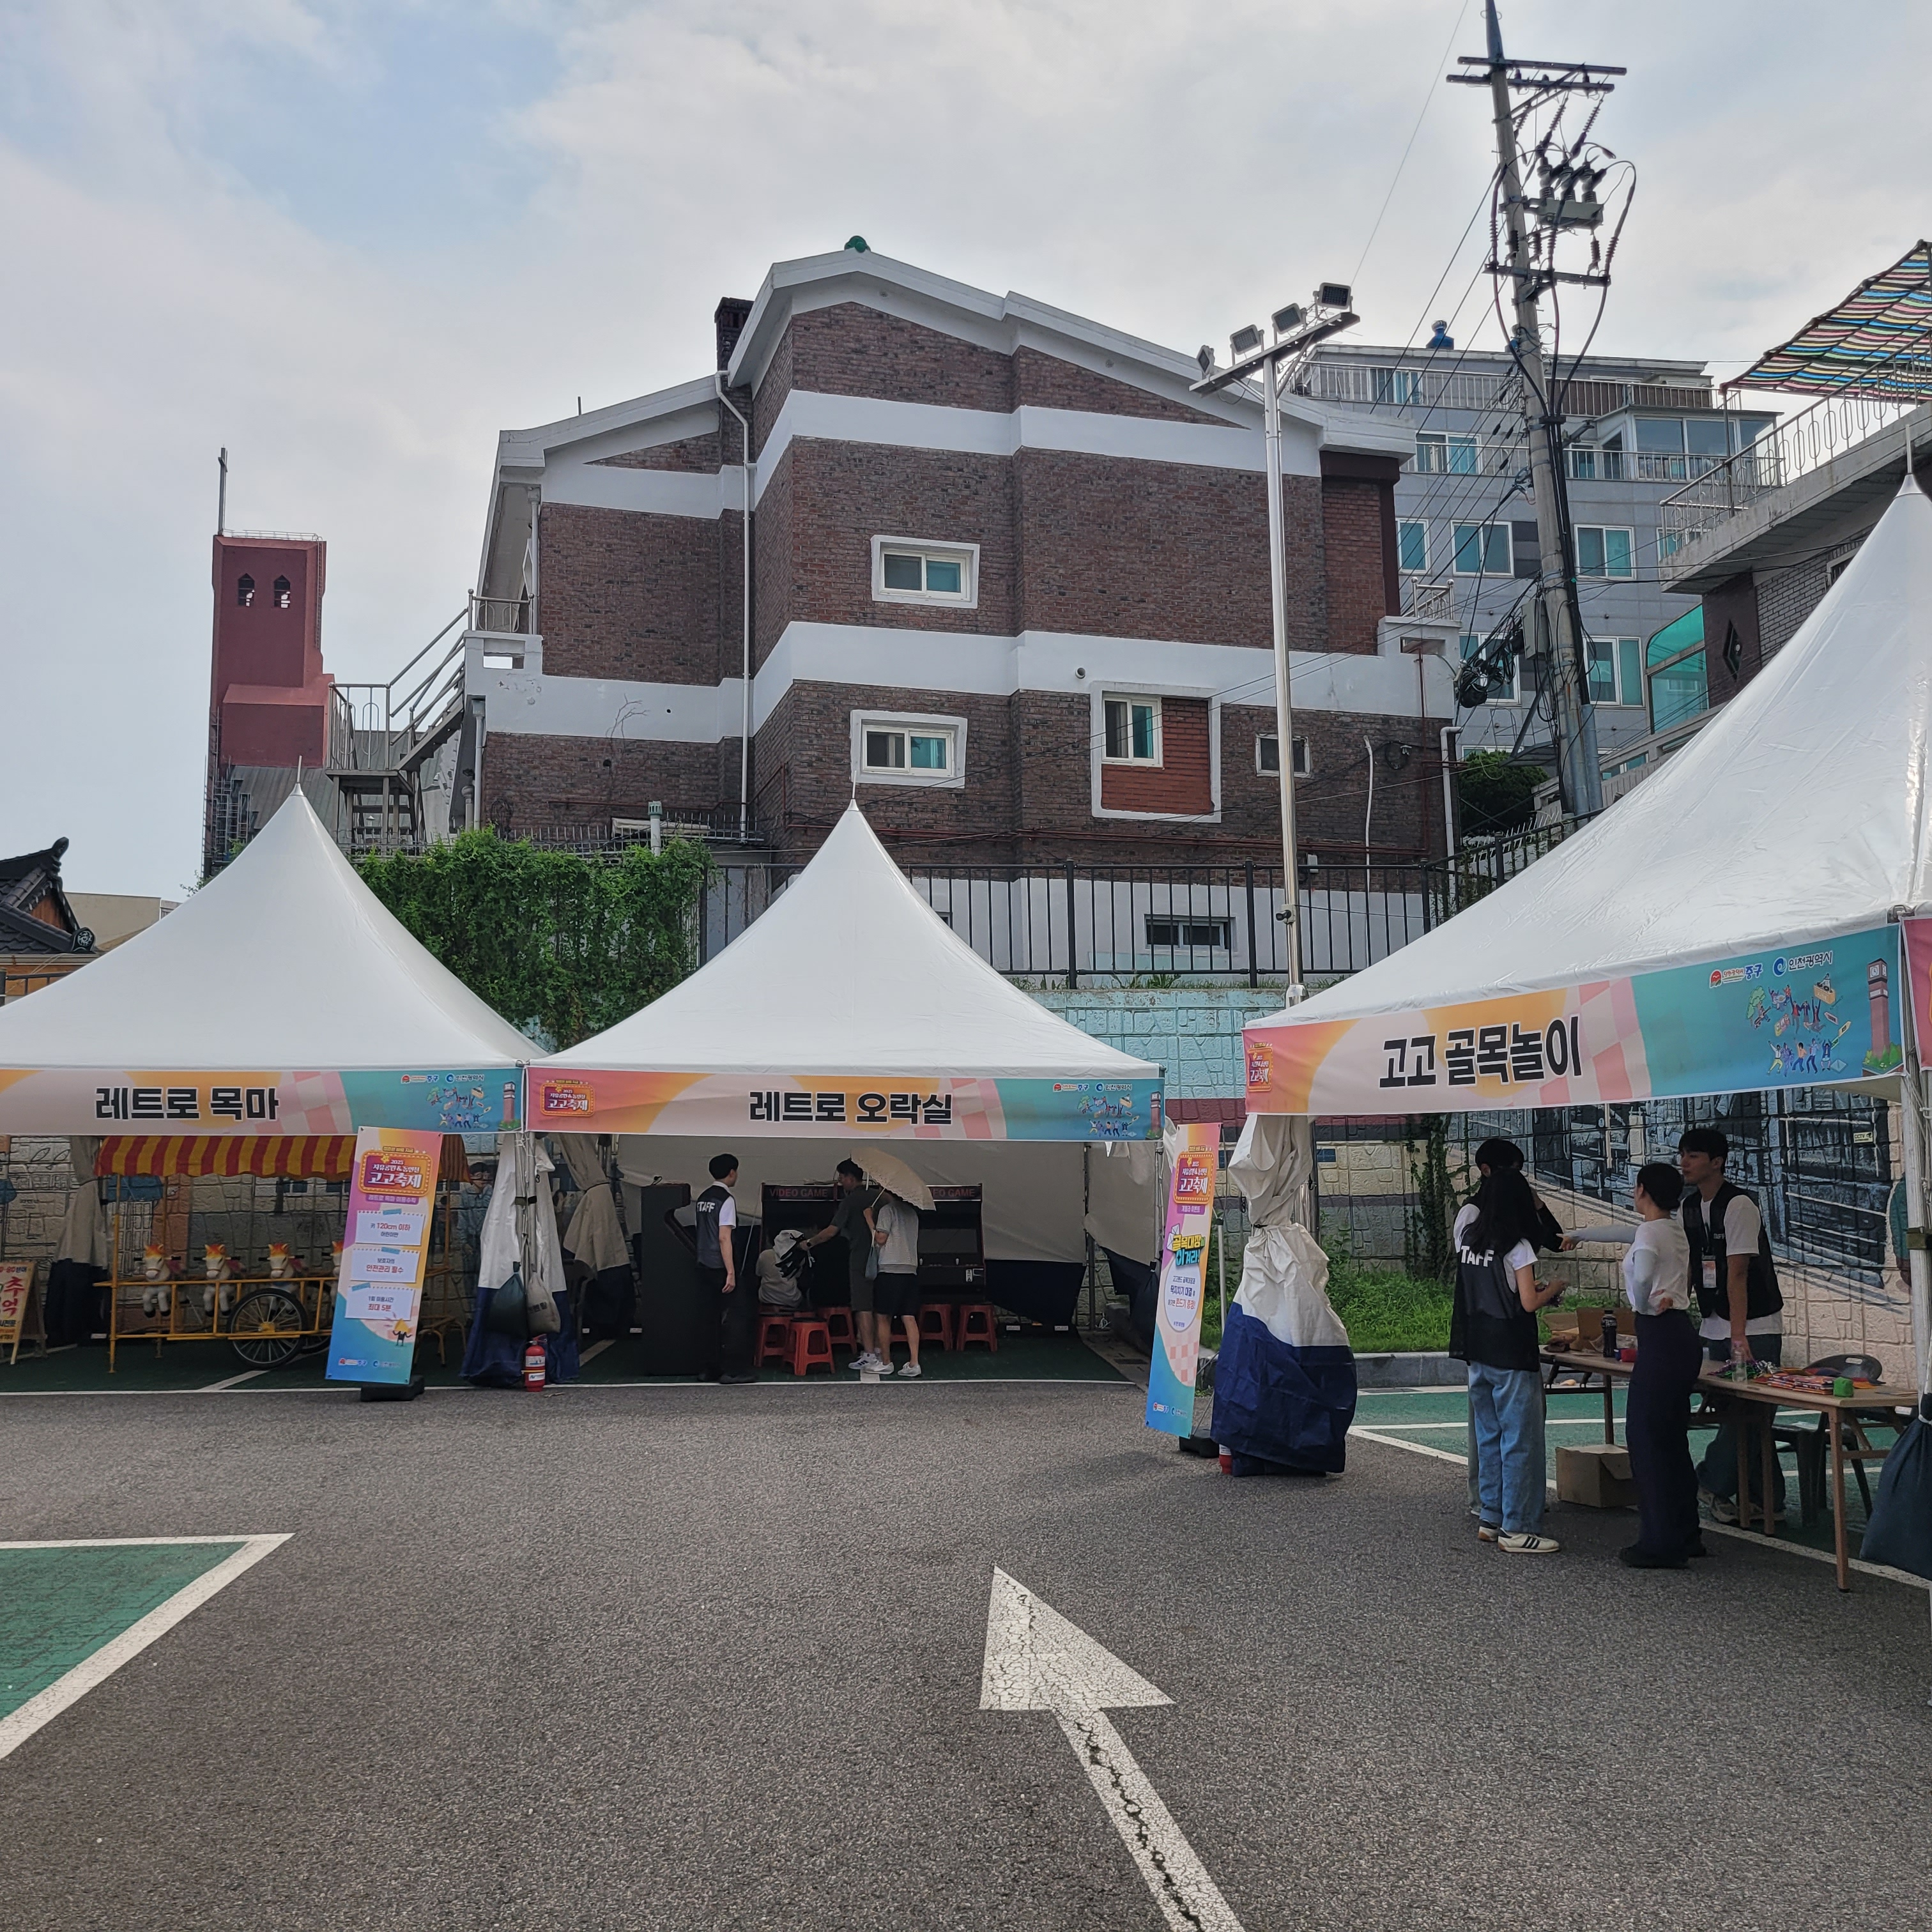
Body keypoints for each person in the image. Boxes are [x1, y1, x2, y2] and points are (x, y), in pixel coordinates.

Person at [1563, 1164, 1704, 1568]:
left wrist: (1641, 1305)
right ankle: (1686, 1533)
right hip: (1682, 1337)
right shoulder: (1671, 1229)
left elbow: (1642, 1277)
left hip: (1659, 1335)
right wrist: (1581, 1235)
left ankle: (1660, 1543)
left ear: (1641, 1190)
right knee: (1671, 1439)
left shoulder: (1650, 1234)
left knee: (1646, 1440)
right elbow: (1624, 1233)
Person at [1452, 1169, 1567, 1554]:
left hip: (1477, 1347)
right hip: (1512, 1350)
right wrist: (1554, 1288)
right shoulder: (1517, 1245)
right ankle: (1518, 1528)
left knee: (1489, 1436)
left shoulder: (1469, 1239)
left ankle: (1491, 1516)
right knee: (1520, 1440)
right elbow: (1528, 1302)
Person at [1677, 1126, 1785, 1522]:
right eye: (1682, 1154)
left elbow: (1738, 1273)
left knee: (1751, 1415)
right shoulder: (1689, 1207)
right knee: (1739, 1418)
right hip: (1713, 1323)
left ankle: (1710, 1481)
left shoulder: (1739, 1205)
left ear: (1717, 1162)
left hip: (1754, 1325)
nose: (1684, 1162)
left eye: (1693, 1155)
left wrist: (1739, 1336)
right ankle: (1767, 1501)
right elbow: (1691, 1266)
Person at [802, 1160, 884, 1370]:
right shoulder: (881, 1197)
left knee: (863, 1306)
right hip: (885, 1258)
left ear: (850, 1178)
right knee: (880, 1306)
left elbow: (832, 1231)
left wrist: (809, 1243)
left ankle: (869, 1354)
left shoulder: (851, 1201)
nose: (840, 1182)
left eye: (841, 1178)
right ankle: (880, 1350)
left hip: (861, 1258)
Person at [694, 1152, 756, 1385]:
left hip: (704, 1264)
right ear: (732, 1173)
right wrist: (731, 1272)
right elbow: (724, 1237)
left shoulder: (703, 1198)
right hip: (721, 1266)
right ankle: (733, 1370)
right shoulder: (726, 1200)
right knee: (736, 1318)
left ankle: (709, 1369)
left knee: (708, 1319)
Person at [869, 1188, 924, 1380]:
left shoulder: (887, 1210)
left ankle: (886, 1362)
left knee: (883, 1317)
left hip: (890, 1269)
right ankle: (914, 1363)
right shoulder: (913, 1213)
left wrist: (869, 1219)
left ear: (888, 1191)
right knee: (909, 1316)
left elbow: (880, 1239)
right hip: (910, 1270)